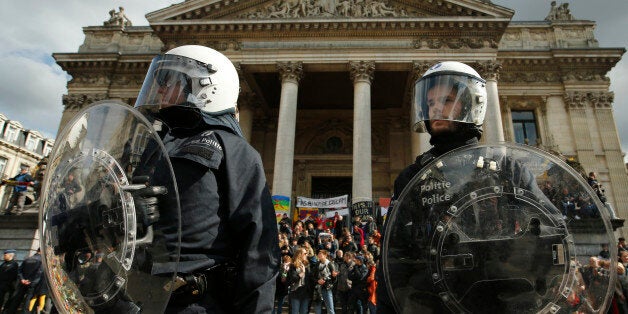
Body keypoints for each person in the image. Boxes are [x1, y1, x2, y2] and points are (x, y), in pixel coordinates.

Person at [133, 45, 280, 313]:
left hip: (195, 302)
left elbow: (260, 250)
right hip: (138, 298)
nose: (160, 89)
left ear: (206, 86)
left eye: (169, 80)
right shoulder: (152, 146)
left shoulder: (234, 150)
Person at [377, 61, 488, 313]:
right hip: (428, 302)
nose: (436, 108)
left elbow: (549, 233)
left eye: (447, 100)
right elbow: (392, 256)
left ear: (470, 104)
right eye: (430, 103)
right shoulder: (412, 176)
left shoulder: (504, 169)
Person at [4, 248, 42, 314]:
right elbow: (39, 273)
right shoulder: (42, 261)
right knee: (28, 300)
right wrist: (31, 281)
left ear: (37, 251)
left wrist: (22, 279)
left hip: (22, 282)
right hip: (32, 283)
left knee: (17, 299)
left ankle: (10, 311)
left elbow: (20, 270)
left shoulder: (28, 258)